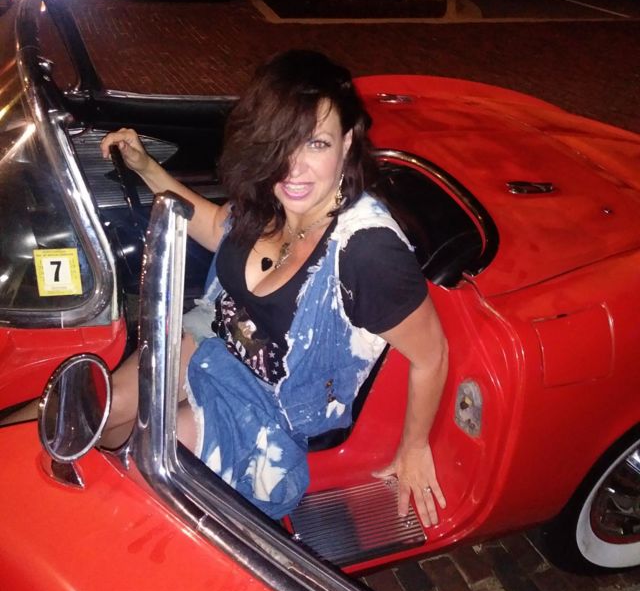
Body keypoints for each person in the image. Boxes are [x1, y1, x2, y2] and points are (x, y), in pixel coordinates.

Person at [100, 50, 448, 523]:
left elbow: (432, 354)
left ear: (347, 141)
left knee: (144, 464)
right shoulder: (273, 194)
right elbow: (215, 226)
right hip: (213, 337)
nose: (293, 167)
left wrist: (414, 447)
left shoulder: (367, 251)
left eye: (317, 144)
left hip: (270, 402)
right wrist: (146, 168)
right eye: (281, 141)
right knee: (101, 411)